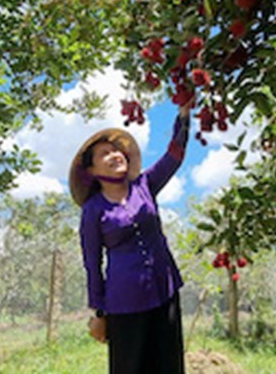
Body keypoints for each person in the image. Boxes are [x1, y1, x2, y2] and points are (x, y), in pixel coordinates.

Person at [70, 99, 192, 374]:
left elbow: (174, 156)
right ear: (91, 171)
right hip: (124, 302)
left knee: (169, 364)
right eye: (105, 153)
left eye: (117, 150)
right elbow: (92, 263)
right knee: (130, 367)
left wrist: (184, 114)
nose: (115, 155)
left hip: (165, 289)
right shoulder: (93, 210)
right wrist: (99, 313)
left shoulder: (145, 186)